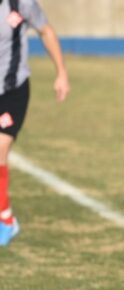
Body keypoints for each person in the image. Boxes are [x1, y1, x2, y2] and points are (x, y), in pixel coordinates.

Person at [0, 0, 69, 246]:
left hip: (12, 91)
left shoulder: (21, 3)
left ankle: (6, 221)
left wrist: (61, 72)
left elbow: (45, 30)